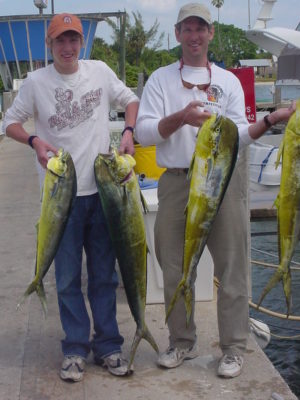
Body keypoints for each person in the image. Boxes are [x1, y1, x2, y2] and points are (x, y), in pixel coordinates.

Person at [135, 2, 295, 378]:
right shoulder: (160, 80)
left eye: (201, 28)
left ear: (211, 34)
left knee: (233, 267)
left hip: (224, 179)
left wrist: (270, 120)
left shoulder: (228, 82)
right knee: (174, 266)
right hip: (176, 181)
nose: (194, 36)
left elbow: (239, 134)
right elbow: (143, 131)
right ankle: (180, 341)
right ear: (177, 34)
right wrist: (181, 119)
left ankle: (234, 348)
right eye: (187, 29)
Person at [3, 13, 139, 382]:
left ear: (82, 42)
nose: (67, 47)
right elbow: (9, 122)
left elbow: (131, 100)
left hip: (103, 192)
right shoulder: (35, 82)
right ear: (50, 44)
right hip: (61, 199)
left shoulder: (99, 71)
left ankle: (108, 345)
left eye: (73, 40)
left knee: (103, 276)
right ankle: (75, 348)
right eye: (60, 40)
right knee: (65, 279)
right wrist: (33, 140)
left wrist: (127, 130)